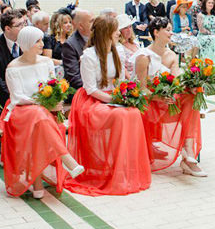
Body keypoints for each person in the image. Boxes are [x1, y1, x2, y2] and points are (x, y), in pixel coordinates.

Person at [65, 15, 150, 196]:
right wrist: (113, 101)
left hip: (114, 96)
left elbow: (119, 80)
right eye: (115, 30)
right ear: (107, 33)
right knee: (119, 115)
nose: (119, 33)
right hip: (92, 100)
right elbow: (90, 89)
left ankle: (124, 165)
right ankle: (109, 165)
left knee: (134, 113)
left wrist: (125, 95)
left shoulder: (118, 50)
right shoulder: (89, 56)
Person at [2, 26, 84, 198]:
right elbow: (17, 97)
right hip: (21, 111)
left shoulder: (46, 62)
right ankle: (67, 159)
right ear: (27, 43)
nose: (42, 44)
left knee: (40, 123)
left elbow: (52, 85)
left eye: (41, 40)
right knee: (38, 115)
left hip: (44, 113)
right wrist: (44, 105)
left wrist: (55, 102)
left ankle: (37, 183)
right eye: (37, 41)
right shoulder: (13, 67)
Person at [134, 17, 205, 177]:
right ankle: (187, 155)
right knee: (185, 102)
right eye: (167, 29)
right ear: (156, 32)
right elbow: (142, 89)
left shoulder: (171, 55)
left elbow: (177, 81)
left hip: (167, 102)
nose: (171, 33)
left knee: (191, 97)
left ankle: (188, 153)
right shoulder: (144, 56)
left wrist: (191, 85)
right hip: (150, 103)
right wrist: (158, 98)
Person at [0, 10, 28, 119]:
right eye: (19, 25)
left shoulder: (26, 43)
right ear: (7, 28)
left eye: (24, 24)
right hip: (0, 96)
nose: (23, 28)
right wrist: (15, 93)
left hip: (23, 94)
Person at [62, 9, 92, 90]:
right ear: (81, 26)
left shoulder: (99, 39)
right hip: (82, 91)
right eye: (91, 21)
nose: (95, 24)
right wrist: (95, 89)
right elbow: (74, 78)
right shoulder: (70, 45)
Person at [115, 14, 142, 79]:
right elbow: (122, 68)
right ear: (119, 31)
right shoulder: (118, 47)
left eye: (130, 27)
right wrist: (132, 82)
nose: (129, 30)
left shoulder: (135, 42)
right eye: (125, 28)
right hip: (129, 82)